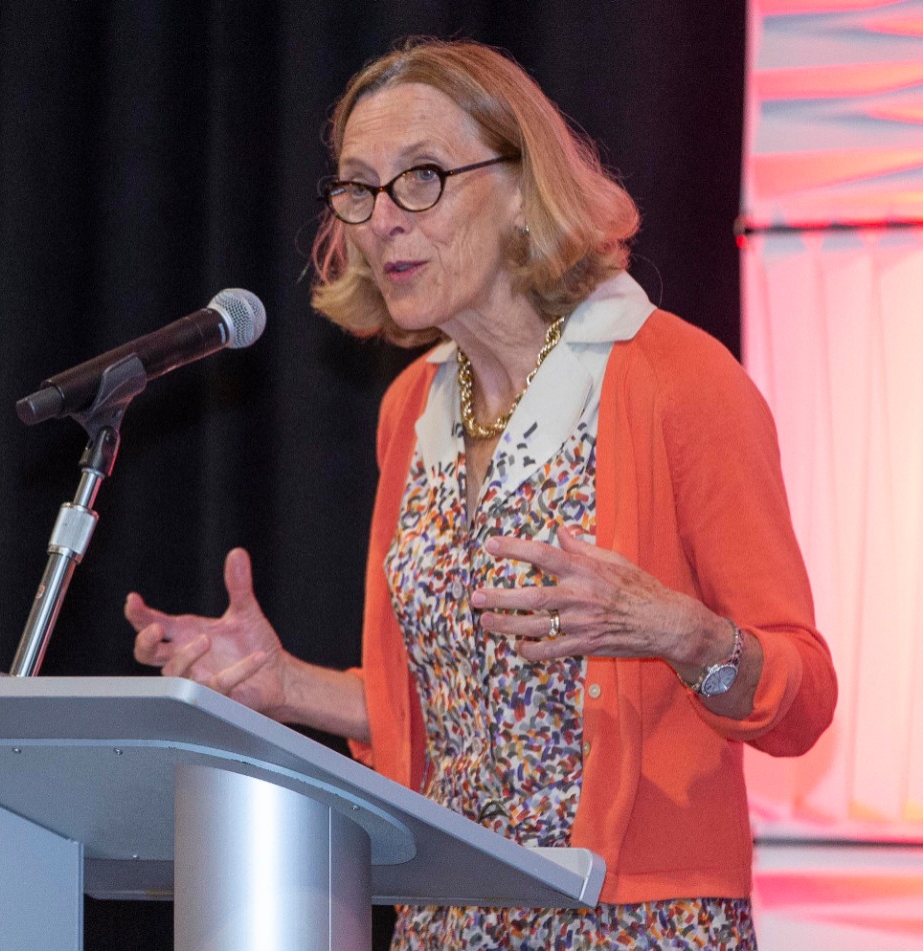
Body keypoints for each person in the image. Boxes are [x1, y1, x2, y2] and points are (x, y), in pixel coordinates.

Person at [126, 38, 837, 949]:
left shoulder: (677, 379)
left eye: (421, 178)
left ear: (521, 188)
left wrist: (684, 632)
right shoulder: (411, 407)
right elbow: (455, 712)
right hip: (446, 913)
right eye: (357, 187)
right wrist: (287, 685)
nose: (382, 221)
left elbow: (804, 694)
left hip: (636, 920)